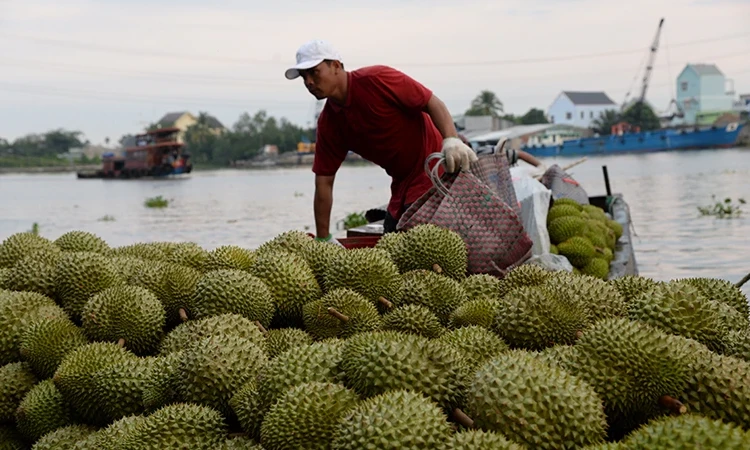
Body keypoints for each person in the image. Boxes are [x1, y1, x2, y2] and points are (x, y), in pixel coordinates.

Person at [284, 39, 477, 245]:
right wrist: (323, 237)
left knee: (418, 244)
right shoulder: (329, 123)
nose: (309, 82)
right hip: (402, 183)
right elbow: (324, 180)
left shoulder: (377, 79)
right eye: (304, 77)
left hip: (435, 170)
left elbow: (432, 102)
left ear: (336, 66)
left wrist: (451, 140)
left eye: (314, 72)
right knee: (391, 238)